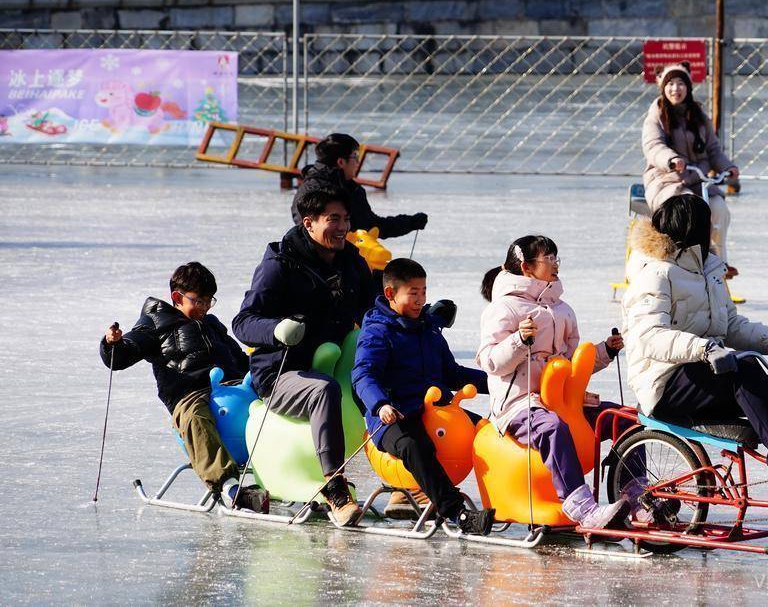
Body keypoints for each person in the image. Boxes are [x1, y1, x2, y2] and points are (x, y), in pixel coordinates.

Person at [620, 194, 768, 517]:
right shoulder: (655, 273)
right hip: (664, 382)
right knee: (743, 372)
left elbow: (730, 325)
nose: (713, 229)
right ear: (692, 228)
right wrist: (705, 349)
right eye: (707, 224)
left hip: (705, 371)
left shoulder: (707, 268)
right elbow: (649, 337)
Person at [233, 186, 374, 525]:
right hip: (281, 373)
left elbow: (374, 309)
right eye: (333, 219)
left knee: (390, 377)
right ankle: (335, 488)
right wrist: (277, 329)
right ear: (309, 223)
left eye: (346, 219)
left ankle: (409, 486)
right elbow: (243, 322)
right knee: (323, 389)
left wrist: (415, 317)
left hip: (335, 361)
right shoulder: (280, 264)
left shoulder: (351, 261)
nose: (343, 227)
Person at [477, 236, 637, 529]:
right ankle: (582, 507)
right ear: (526, 267)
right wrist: (518, 341)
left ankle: (636, 497)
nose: (555, 264)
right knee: (552, 427)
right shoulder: (503, 309)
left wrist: (605, 351)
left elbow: (573, 362)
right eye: (547, 258)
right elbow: (490, 361)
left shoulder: (563, 310)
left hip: (564, 399)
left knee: (624, 419)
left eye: (555, 257)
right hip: (520, 404)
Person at [99, 262, 269, 513]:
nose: (205, 307)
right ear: (177, 297)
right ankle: (231, 488)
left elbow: (239, 358)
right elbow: (126, 352)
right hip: (190, 393)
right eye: (199, 301)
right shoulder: (155, 323)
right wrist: (113, 344)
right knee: (195, 417)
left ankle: (293, 476)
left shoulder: (211, 324)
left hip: (235, 388)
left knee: (275, 404)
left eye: (209, 301)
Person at [352, 258, 496, 534]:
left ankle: (500, 502)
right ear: (391, 293)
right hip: (394, 415)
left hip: (434, 409)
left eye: (424, 292)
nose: (421, 300)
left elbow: (451, 373)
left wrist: (498, 383)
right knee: (414, 445)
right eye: (413, 293)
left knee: (486, 433)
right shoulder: (377, 332)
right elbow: (363, 374)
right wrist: (380, 404)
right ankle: (457, 513)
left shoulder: (428, 329)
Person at [641, 62, 741, 278]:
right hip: (667, 180)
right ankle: (685, 263)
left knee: (718, 208)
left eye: (680, 83)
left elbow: (713, 149)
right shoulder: (657, 115)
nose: (675, 89)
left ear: (688, 87)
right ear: (663, 87)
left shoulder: (699, 115)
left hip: (698, 179)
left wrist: (728, 168)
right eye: (670, 84)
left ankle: (719, 260)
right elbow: (653, 146)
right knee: (688, 210)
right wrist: (671, 159)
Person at [290, 132, 428, 238]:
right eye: (355, 157)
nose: (358, 163)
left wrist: (410, 222)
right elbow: (307, 234)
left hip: (352, 257)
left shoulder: (353, 189)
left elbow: (371, 226)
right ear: (341, 162)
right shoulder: (312, 190)